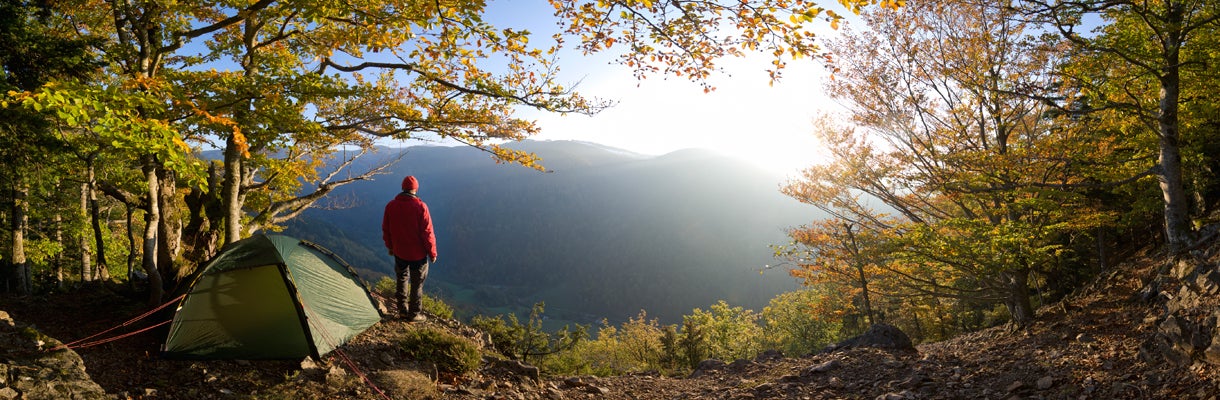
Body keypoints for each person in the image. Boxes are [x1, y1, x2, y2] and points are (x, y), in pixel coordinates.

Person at [382, 175, 438, 322]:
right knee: (417, 284)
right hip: (418, 255)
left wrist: (390, 246)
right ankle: (414, 314)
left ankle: (402, 310)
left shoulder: (391, 205)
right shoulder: (420, 207)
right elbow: (427, 232)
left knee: (401, 279)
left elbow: (386, 229)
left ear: (402, 188)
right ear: (415, 189)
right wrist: (432, 252)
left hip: (399, 251)